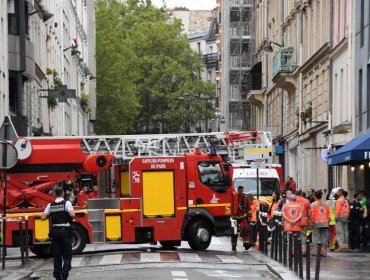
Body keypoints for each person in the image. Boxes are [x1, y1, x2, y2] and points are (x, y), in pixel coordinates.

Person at [41, 186, 75, 280]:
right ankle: (64, 273)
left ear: (55, 194)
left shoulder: (50, 205)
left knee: (57, 254)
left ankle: (57, 275)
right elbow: (72, 214)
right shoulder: (67, 203)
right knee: (67, 254)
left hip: (55, 231)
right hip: (65, 230)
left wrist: (51, 215)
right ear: (63, 193)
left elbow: (43, 218)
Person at [231, 186, 252, 251]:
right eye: (239, 190)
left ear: (243, 191)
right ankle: (234, 245)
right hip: (234, 218)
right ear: (237, 190)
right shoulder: (234, 197)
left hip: (243, 217)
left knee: (245, 230)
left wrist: (250, 216)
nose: (240, 192)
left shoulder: (245, 198)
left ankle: (246, 244)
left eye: (241, 191)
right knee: (234, 233)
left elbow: (248, 208)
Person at [310, 191, 330, 256]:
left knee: (315, 237)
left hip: (316, 223)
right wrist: (327, 221)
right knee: (323, 237)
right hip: (324, 222)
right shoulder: (325, 204)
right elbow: (328, 215)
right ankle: (323, 251)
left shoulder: (313, 204)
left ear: (315, 197)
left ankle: (315, 251)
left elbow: (312, 215)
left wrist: (311, 223)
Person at [296, 189, 311, 255]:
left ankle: (295, 251)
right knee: (303, 236)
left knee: (295, 236)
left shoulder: (293, 200)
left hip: (295, 221)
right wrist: (308, 219)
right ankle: (303, 251)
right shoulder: (306, 201)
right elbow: (309, 212)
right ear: (301, 193)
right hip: (304, 221)